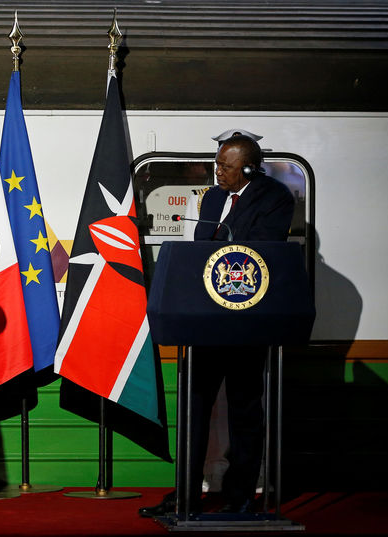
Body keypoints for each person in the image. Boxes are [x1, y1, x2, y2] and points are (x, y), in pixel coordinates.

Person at [139, 133, 294, 517]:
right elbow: (200, 247)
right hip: (203, 322)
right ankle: (187, 495)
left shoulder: (274, 196)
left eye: (226, 166)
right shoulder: (210, 197)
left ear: (249, 168)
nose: (218, 171)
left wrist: (224, 243)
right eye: (217, 163)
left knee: (245, 411)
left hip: (247, 324)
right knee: (193, 409)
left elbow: (260, 251)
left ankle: (240, 496)